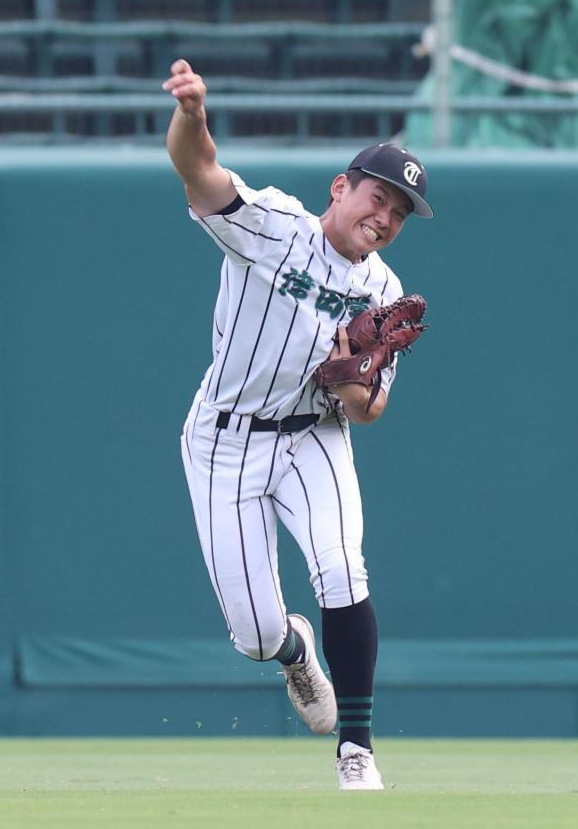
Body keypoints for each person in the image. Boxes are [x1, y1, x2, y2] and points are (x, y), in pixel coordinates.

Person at [163, 58, 433, 791]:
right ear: (341, 188)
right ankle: (291, 654)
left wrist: (352, 381)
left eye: (399, 215)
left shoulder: (384, 289)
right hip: (224, 437)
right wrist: (191, 113)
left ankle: (357, 748)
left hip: (315, 433)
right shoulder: (276, 227)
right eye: (378, 198)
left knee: (343, 567)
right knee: (253, 635)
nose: (384, 219)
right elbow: (201, 171)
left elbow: (371, 412)